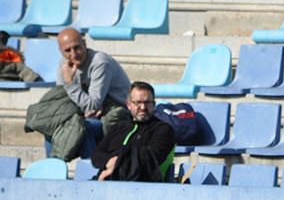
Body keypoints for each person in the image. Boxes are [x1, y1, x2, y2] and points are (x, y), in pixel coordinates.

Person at [24, 28, 131, 161]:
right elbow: (62, 99)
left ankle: (91, 170)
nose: (73, 54)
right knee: (52, 128)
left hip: (116, 115)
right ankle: (54, 170)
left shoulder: (100, 62)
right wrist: (83, 105)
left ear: (84, 44)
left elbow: (92, 105)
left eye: (77, 48)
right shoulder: (64, 65)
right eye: (67, 51)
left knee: (84, 128)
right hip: (88, 112)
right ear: (61, 51)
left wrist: (69, 83)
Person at [91, 81, 175, 183]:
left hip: (142, 186)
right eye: (138, 103)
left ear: (154, 105)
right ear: (129, 105)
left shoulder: (163, 130)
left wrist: (116, 163)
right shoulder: (117, 128)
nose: (143, 108)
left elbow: (149, 157)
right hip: (105, 181)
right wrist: (110, 162)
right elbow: (96, 155)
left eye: (147, 103)